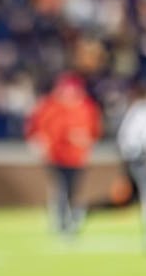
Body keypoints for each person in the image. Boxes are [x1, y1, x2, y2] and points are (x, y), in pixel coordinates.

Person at [89, 83, 146, 251]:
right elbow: (143, 139)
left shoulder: (144, 111)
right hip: (138, 160)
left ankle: (83, 212)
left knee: (129, 200)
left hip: (135, 159)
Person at [24, 72, 103, 236]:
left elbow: (94, 131)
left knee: (73, 190)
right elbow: (37, 128)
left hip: (77, 157)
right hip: (57, 155)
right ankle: (61, 222)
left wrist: (85, 140)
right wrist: (40, 142)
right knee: (60, 189)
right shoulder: (50, 106)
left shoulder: (86, 107)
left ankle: (71, 221)